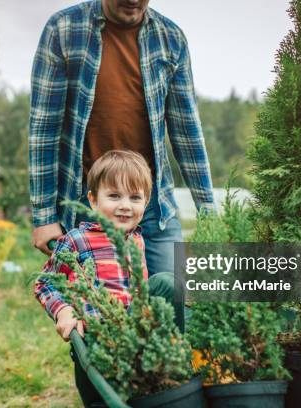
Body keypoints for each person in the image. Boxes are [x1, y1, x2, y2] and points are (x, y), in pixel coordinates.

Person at [29, 0, 215, 275]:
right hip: (86, 202)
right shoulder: (64, 30)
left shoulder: (170, 38)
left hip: (152, 205)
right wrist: (44, 216)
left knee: (172, 299)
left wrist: (208, 209)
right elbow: (44, 129)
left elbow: (187, 131)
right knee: (94, 309)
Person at [34, 150, 181, 406]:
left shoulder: (137, 240)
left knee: (168, 283)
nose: (125, 205)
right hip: (96, 339)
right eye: (114, 196)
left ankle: (177, 356)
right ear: (92, 200)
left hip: (135, 340)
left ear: (145, 203)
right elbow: (45, 282)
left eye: (135, 197)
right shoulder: (77, 240)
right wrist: (64, 310)